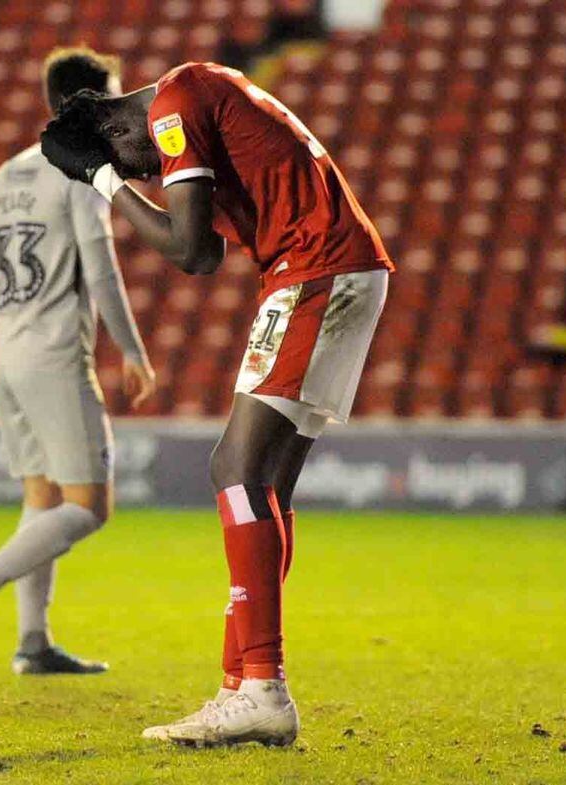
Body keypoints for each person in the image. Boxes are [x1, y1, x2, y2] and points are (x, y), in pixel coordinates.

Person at [41, 61, 394, 745]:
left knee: (234, 470)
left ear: (119, 127)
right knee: (261, 483)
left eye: (134, 164)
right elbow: (209, 242)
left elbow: (192, 251)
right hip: (323, 267)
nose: (149, 176)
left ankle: (261, 685)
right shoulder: (201, 92)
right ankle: (243, 684)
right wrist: (111, 172)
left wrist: (104, 181)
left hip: (315, 268)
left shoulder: (174, 105)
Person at [0, 46, 156, 677]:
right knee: (89, 506)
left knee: (44, 497)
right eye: (113, 96)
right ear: (86, 106)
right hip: (55, 355)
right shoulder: (80, 174)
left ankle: (32, 642)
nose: (121, 109)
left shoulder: (6, 175)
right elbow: (103, 271)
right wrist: (133, 352)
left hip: (7, 354)